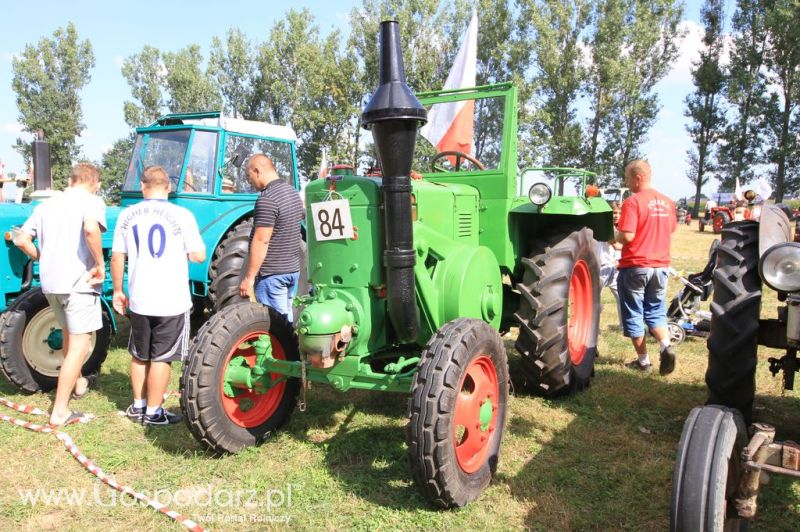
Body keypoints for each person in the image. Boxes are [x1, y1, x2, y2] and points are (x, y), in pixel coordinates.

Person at [111, 165, 206, 425]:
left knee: (140, 354)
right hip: (171, 298)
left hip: (140, 296)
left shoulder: (127, 215)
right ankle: (154, 412)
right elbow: (199, 255)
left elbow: (118, 256)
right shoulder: (182, 215)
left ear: (143, 186)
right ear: (169, 187)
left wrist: (118, 290)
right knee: (163, 357)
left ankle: (138, 405)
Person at [14, 163, 106, 426]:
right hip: (79, 282)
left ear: (70, 179)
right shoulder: (92, 201)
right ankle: (60, 412)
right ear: (95, 183)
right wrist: (99, 263)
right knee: (81, 345)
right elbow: (90, 229)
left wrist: (43, 258)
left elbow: (21, 240)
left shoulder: (45, 206)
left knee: (68, 334)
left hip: (51, 283)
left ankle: (77, 384)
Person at [616, 159, 678, 375]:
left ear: (637, 177)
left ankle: (644, 362)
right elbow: (670, 230)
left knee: (633, 312)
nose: (626, 181)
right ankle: (665, 346)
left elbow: (627, 235)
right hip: (660, 267)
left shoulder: (633, 202)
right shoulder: (668, 202)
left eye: (627, 177)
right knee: (656, 310)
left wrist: (612, 237)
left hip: (635, 265)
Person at [238, 154, 304, 322]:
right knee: (287, 320)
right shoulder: (293, 193)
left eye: (248, 176)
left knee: (276, 328)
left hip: (272, 276)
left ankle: (287, 349)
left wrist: (249, 278)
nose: (249, 181)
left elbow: (262, 241)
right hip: (292, 271)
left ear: (257, 171)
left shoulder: (267, 199)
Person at [597, 201, 622, 328]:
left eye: (619, 213)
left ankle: (624, 326)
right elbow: (616, 245)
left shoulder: (622, 228)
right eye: (614, 213)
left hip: (616, 266)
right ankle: (593, 326)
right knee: (595, 299)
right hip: (602, 266)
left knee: (621, 297)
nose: (616, 215)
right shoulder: (606, 227)